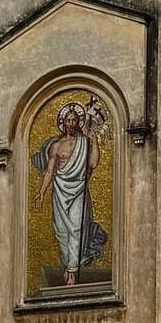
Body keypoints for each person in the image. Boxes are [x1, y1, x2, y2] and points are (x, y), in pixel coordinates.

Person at [33, 100, 107, 286]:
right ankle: (69, 265)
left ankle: (72, 272)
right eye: (69, 120)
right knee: (61, 231)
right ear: (63, 123)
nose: (72, 123)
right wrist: (42, 192)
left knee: (75, 228)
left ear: (79, 122)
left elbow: (92, 164)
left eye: (75, 120)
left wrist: (94, 142)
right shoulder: (57, 146)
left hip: (79, 188)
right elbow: (50, 170)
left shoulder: (84, 142)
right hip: (59, 190)